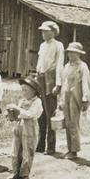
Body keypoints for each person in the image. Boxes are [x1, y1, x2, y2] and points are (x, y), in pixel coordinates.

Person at [5, 76, 44, 179]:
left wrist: (17, 109)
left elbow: (30, 114)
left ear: (33, 91)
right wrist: (10, 114)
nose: (23, 92)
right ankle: (15, 172)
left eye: (26, 90)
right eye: (22, 90)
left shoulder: (37, 102)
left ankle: (24, 175)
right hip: (19, 127)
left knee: (27, 152)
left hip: (30, 129)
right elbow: (19, 115)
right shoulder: (22, 101)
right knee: (15, 151)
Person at [35, 20, 64, 155]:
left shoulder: (58, 45)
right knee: (40, 113)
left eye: (46, 31)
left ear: (53, 32)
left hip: (51, 79)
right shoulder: (42, 45)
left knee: (49, 113)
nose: (44, 33)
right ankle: (40, 144)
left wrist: (58, 84)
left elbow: (59, 65)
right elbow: (40, 63)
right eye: (42, 31)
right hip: (41, 78)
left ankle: (51, 146)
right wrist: (36, 77)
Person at [59, 42, 90, 159]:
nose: (70, 55)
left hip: (75, 96)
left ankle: (75, 150)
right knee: (67, 122)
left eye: (73, 52)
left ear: (78, 54)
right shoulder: (66, 66)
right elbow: (64, 83)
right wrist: (61, 100)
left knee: (74, 123)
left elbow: (86, 84)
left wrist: (85, 98)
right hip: (66, 95)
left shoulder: (82, 66)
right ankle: (69, 148)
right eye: (69, 52)